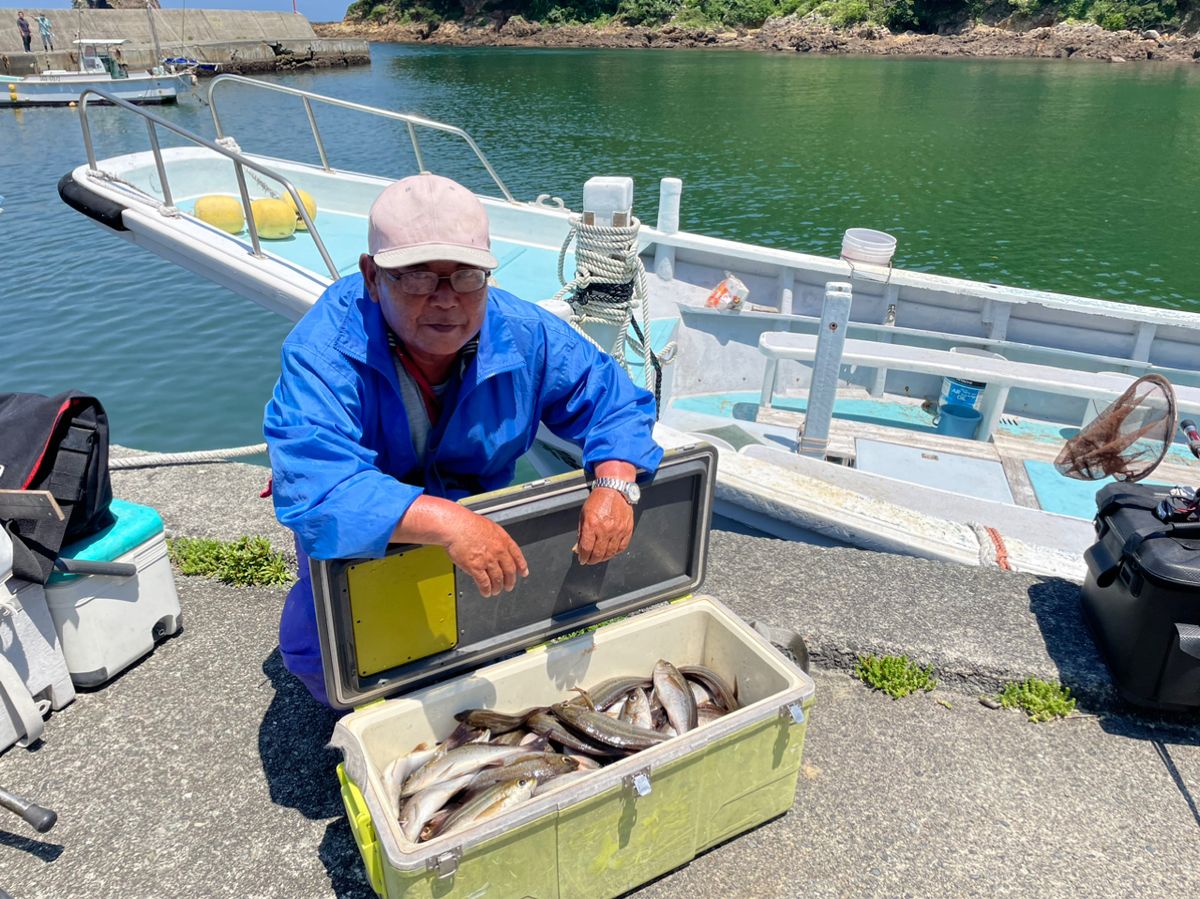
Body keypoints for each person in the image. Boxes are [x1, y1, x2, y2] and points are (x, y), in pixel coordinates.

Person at [264, 173, 662, 706]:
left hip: (476, 513)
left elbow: (614, 399)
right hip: (367, 527)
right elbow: (316, 486)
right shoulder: (322, 351)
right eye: (417, 278)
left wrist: (615, 481)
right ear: (372, 276)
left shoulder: (525, 331)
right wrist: (448, 523)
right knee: (326, 655)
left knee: (486, 637)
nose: (446, 300)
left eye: (467, 276)